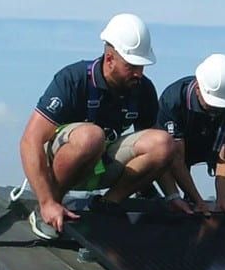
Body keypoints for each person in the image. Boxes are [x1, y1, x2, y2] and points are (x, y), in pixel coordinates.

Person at [18, 13, 176, 240]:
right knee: (92, 136)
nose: (139, 73)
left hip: (101, 164)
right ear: (110, 58)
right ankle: (50, 209)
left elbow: (160, 150)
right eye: (131, 66)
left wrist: (172, 196)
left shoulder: (143, 89)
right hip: (64, 161)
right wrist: (46, 201)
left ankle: (108, 204)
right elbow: (29, 141)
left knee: (164, 142)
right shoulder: (73, 79)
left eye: (142, 66)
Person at [156, 53, 225, 218]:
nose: (217, 111)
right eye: (212, 105)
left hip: (214, 145)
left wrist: (223, 200)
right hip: (182, 149)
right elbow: (177, 160)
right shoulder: (173, 100)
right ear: (198, 89)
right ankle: (179, 198)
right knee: (162, 145)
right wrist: (197, 200)